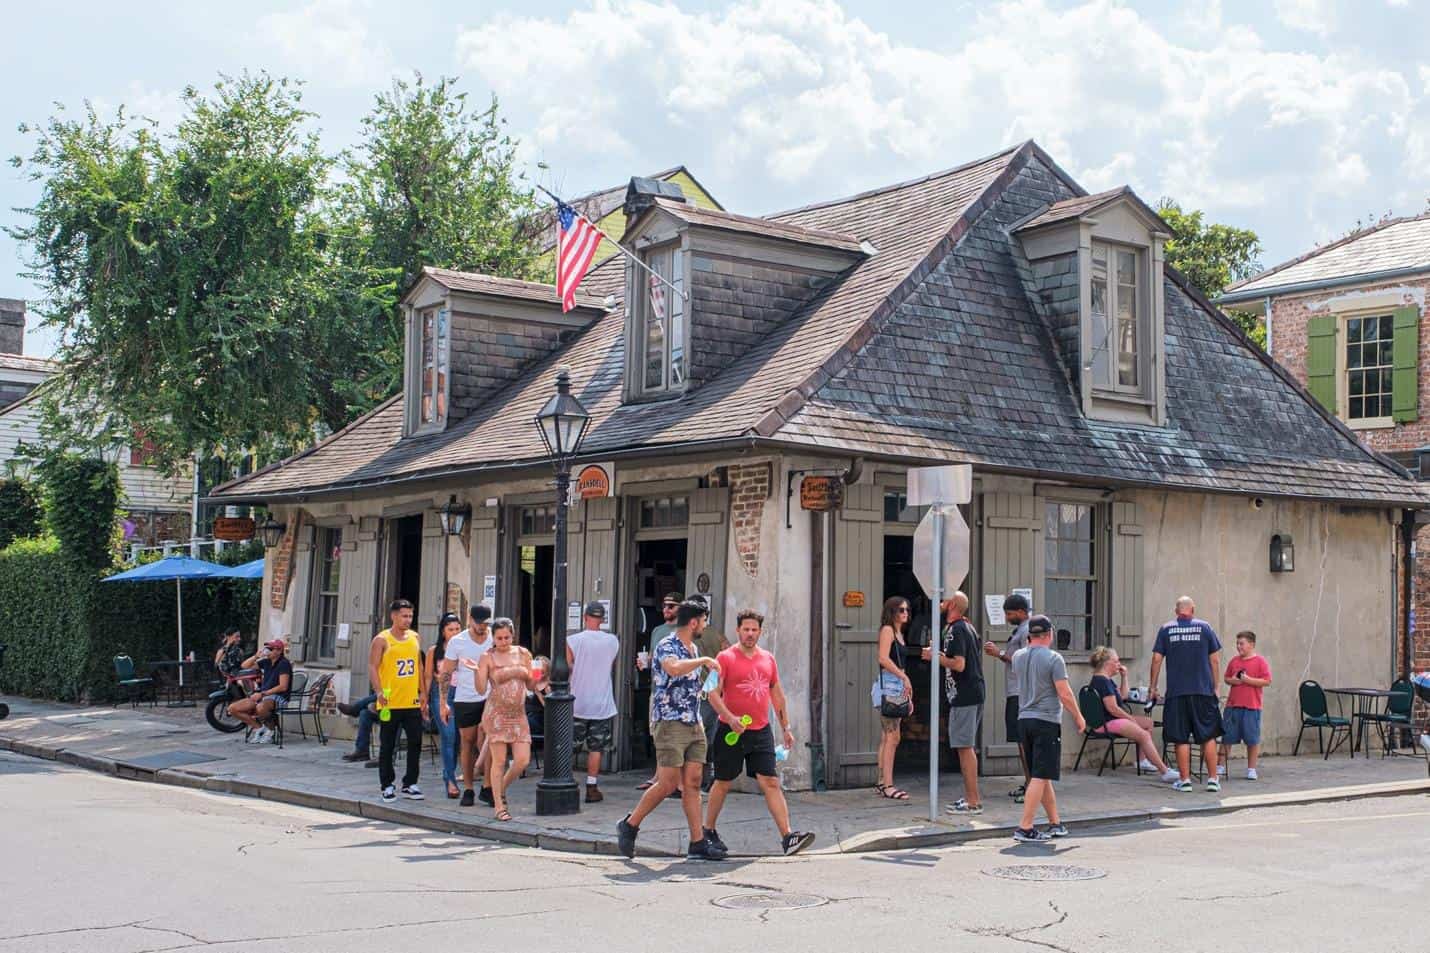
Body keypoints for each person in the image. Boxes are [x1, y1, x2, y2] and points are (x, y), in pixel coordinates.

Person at [616, 600, 725, 860]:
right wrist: (705, 660)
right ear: (694, 622)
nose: (706, 626)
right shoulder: (668, 644)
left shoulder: (693, 647)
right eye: (704, 621)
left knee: (693, 782)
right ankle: (629, 825)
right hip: (669, 721)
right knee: (666, 784)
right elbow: (673, 669)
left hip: (693, 720)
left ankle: (697, 842)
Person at [704, 609, 816, 856]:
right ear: (738, 631)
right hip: (730, 730)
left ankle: (788, 837)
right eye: (746, 629)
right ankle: (707, 830)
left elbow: (776, 693)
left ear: (760, 632)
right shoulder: (724, 658)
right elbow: (711, 692)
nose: (750, 634)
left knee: (771, 781)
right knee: (723, 782)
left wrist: (786, 727)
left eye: (754, 630)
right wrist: (730, 717)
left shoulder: (768, 659)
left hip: (761, 730)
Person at [1011, 615, 1085, 842]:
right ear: (1049, 634)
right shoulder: (1054, 658)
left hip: (1024, 718)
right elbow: (1064, 692)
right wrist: (1079, 716)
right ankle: (1025, 827)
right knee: (1040, 775)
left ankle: (1055, 823)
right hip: (1046, 721)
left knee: (1041, 776)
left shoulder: (1017, 656)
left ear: (1030, 635)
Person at [1149, 595, 1223, 793]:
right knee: (1208, 735)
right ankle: (1213, 780)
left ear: (1176, 611)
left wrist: (1153, 687)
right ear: (1193, 610)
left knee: (1180, 737)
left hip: (1177, 692)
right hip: (1203, 691)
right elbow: (1215, 660)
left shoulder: (1166, 629)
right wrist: (1217, 686)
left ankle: (1185, 780)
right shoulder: (1205, 627)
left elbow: (1156, 659)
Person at [923, 592, 984, 815]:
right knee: (964, 746)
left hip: (965, 695)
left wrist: (934, 657)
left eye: (944, 599)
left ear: (952, 604)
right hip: (968, 693)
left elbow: (959, 664)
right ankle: (970, 798)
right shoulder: (964, 627)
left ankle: (973, 802)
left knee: (965, 747)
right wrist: (938, 654)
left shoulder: (958, 628)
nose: (939, 603)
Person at [1088, 646, 1179, 783]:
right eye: (1117, 661)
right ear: (1108, 663)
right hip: (1106, 722)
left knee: (1148, 723)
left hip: (1108, 720)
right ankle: (1164, 771)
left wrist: (1124, 677)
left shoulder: (1104, 680)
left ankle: (1142, 761)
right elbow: (1113, 708)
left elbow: (1123, 696)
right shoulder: (1102, 682)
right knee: (1143, 734)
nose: (1119, 665)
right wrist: (1130, 719)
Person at [369, 598, 428, 803]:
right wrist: (378, 692)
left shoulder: (415, 637)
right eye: (404, 616)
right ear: (393, 616)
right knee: (387, 744)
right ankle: (386, 784)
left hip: (411, 700)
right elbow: (373, 667)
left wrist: (423, 693)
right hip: (389, 701)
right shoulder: (382, 639)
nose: (408, 620)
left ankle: (410, 782)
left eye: (410, 616)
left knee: (415, 742)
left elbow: (419, 666)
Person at [474, 618, 533, 822]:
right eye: (499, 638)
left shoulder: (523, 653)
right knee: (498, 761)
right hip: (497, 713)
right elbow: (481, 689)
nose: (503, 641)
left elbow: (532, 685)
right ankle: (499, 806)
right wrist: (477, 672)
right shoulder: (487, 656)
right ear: (493, 638)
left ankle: (499, 790)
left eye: (507, 637)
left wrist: (535, 674)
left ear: (512, 635)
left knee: (522, 760)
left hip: (518, 713)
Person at [441, 605, 496, 806]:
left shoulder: (494, 637)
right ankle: (469, 788)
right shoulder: (458, 641)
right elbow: (446, 673)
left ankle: (489, 786)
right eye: (479, 622)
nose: (482, 626)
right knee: (467, 742)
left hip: (490, 697)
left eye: (485, 622)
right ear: (470, 619)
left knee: (491, 740)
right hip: (465, 697)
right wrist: (443, 703)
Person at [568, 601, 620, 803]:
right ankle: (591, 787)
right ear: (602, 619)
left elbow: (567, 667)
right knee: (596, 748)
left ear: (585, 617)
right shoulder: (612, 641)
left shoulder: (573, 640)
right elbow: (611, 664)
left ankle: (567, 781)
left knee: (569, 745)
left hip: (577, 701)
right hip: (602, 703)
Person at [985, 594, 1032, 801]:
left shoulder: (1028, 630)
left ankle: (1032, 785)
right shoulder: (1021, 630)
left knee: (1023, 741)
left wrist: (999, 653)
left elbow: (1027, 660)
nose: (1007, 617)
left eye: (1010, 613)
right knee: (1020, 741)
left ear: (1022, 612)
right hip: (1015, 691)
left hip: (1020, 693)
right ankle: (1029, 782)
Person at [635, 592, 682, 794]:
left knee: (676, 736)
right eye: (664, 605)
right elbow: (654, 656)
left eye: (671, 606)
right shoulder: (657, 631)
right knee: (657, 734)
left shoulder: (685, 630)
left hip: (677, 692)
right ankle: (658, 776)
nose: (666, 609)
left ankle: (674, 780)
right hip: (657, 690)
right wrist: (643, 664)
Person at [874, 596, 914, 800]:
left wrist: (907, 686)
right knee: (892, 737)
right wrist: (903, 676)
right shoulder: (888, 630)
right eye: (900, 610)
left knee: (887, 737)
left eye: (907, 609)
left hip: (896, 686)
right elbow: (883, 658)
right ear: (892, 612)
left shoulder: (899, 632)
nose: (905, 613)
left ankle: (882, 783)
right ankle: (888, 785)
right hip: (888, 686)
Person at [690, 594, 730, 791]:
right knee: (712, 734)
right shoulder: (716, 634)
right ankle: (713, 774)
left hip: (698, 692)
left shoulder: (689, 636)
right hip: (714, 690)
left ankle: (702, 777)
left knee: (698, 736)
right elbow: (728, 653)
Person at [1221, 631, 1272, 780]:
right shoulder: (1234, 661)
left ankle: (1251, 769)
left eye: (1241, 643)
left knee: (1252, 739)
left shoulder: (1260, 662)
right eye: (1237, 643)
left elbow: (1267, 681)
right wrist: (1234, 681)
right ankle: (1220, 766)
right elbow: (1226, 678)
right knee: (1227, 738)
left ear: (1251, 644)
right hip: (1232, 706)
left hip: (1252, 707)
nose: (1238, 646)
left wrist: (1248, 680)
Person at [228, 639, 293, 743]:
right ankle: (259, 728)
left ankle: (271, 731)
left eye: (270, 649)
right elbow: (244, 666)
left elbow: (283, 687)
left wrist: (262, 694)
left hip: (279, 697)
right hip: (263, 696)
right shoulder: (266, 662)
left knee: (261, 707)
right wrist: (256, 656)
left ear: (279, 651)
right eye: (267, 648)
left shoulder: (284, 664)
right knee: (233, 708)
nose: (267, 651)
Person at [426, 613, 462, 798]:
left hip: (461, 695)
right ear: (443, 631)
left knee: (457, 740)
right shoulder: (435, 650)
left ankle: (449, 773)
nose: (455, 633)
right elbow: (427, 676)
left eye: (457, 629)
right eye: (451, 629)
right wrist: (424, 701)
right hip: (441, 695)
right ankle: (450, 781)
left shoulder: (464, 648)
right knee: (448, 737)